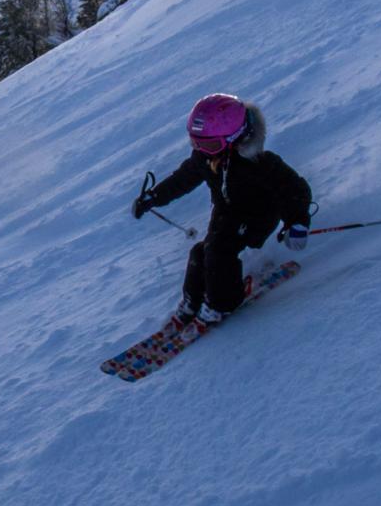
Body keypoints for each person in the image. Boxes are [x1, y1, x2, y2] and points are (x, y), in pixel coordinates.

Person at [133, 93, 313, 329]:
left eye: (209, 145)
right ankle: (193, 301)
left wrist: (297, 223)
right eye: (196, 143)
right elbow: (183, 179)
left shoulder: (260, 163)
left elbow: (295, 190)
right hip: (226, 212)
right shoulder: (206, 157)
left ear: (235, 137)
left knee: (220, 251)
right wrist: (154, 197)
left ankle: (222, 303)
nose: (201, 150)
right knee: (201, 252)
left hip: (257, 214)